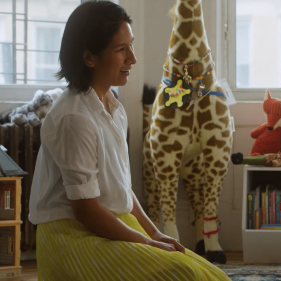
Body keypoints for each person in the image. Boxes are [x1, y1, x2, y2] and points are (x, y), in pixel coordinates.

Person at [28, 1, 230, 280]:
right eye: (121, 49)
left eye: (131, 45)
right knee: (183, 274)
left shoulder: (113, 108)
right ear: (89, 58)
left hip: (113, 221)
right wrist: (146, 243)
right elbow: (87, 211)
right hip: (73, 234)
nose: (132, 58)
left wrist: (155, 232)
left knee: (211, 274)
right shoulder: (74, 118)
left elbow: (122, 189)